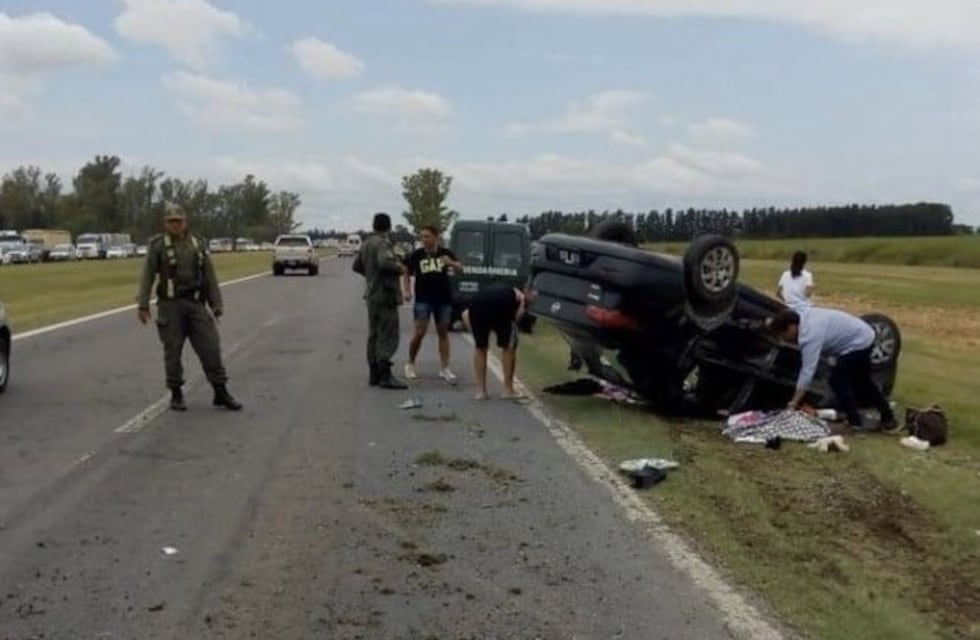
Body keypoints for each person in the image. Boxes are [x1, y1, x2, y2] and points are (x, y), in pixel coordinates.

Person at [136, 205, 242, 411]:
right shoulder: (158, 245)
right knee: (172, 351)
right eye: (171, 221)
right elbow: (147, 275)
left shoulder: (198, 243)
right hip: (170, 306)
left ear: (185, 222)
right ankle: (176, 393)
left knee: (211, 347)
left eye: (179, 221)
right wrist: (142, 304)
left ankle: (220, 391)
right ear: (165, 223)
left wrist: (216, 303)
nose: (175, 225)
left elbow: (209, 276)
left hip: (195, 304)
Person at [769, 307, 896, 431]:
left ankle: (855, 421)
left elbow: (807, 371)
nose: (783, 339)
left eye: (783, 334)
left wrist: (794, 402)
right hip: (863, 333)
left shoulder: (810, 336)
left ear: (791, 327)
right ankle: (888, 418)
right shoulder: (802, 314)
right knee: (863, 382)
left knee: (838, 381)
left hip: (858, 342)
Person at [401, 224, 463, 384]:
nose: (424, 240)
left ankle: (445, 368)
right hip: (423, 299)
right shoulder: (417, 255)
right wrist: (407, 290)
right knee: (419, 332)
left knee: (443, 332)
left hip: (443, 299)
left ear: (436, 237)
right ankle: (410, 363)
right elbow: (406, 272)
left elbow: (460, 269)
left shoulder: (446, 253)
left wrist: (451, 263)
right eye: (422, 237)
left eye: (427, 236)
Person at [352, 212, 408, 389]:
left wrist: (370, 276)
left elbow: (356, 265)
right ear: (388, 227)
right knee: (388, 333)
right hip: (386, 294)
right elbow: (385, 262)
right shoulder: (383, 243)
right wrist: (400, 268)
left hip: (372, 294)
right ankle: (385, 374)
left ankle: (374, 372)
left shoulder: (367, 243)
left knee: (374, 334)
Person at [461, 283, 529, 401]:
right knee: (509, 347)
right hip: (502, 304)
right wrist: (512, 325)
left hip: (478, 304)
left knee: (480, 348)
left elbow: (465, 315)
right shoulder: (520, 296)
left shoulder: (497, 290)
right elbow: (517, 316)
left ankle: (481, 391)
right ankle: (508, 390)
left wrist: (477, 335)